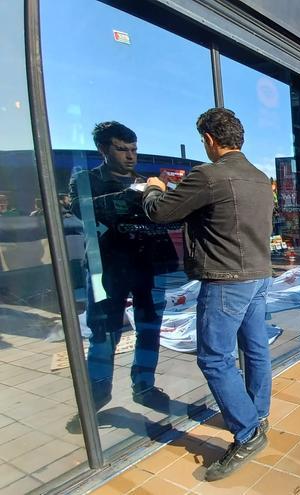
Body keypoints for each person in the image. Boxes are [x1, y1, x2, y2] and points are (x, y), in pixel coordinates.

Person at [142, 108, 274, 481]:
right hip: (258, 276)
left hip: (226, 280)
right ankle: (258, 413)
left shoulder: (209, 176)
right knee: (255, 348)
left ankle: (247, 433)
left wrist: (154, 186)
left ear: (210, 141)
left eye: (204, 140)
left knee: (215, 359)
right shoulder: (260, 178)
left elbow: (160, 212)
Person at [68, 122, 176, 429]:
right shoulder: (86, 181)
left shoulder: (147, 182)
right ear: (103, 149)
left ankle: (145, 386)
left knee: (149, 327)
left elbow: (162, 219)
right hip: (107, 269)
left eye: (133, 149)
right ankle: (95, 400)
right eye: (122, 149)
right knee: (103, 334)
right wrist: (131, 198)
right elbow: (83, 209)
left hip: (147, 267)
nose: (130, 156)